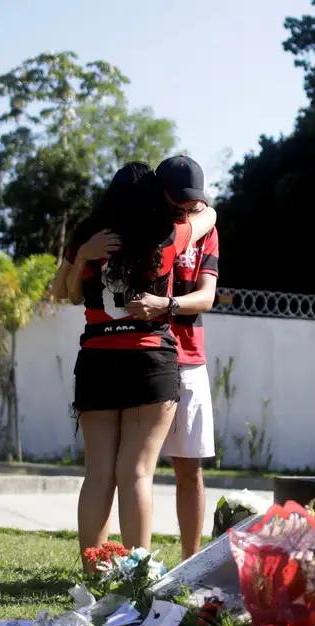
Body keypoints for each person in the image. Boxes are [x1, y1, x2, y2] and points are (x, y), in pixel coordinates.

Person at [53, 161, 216, 570]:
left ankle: (95, 571)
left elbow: (61, 292)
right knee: (137, 473)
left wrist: (83, 257)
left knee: (98, 475)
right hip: (150, 361)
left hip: (98, 361)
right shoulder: (167, 235)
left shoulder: (88, 240)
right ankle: (135, 574)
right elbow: (207, 217)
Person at [156, 155, 220, 561]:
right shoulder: (148, 225)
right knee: (132, 468)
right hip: (145, 353)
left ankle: (189, 563)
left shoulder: (207, 228)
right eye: (180, 201)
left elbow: (207, 296)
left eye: (194, 202)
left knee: (189, 467)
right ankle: (121, 563)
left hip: (190, 358)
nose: (188, 208)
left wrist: (167, 304)